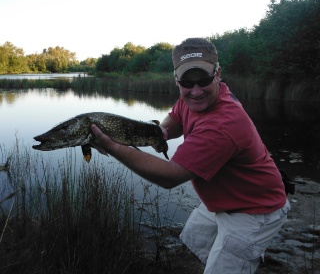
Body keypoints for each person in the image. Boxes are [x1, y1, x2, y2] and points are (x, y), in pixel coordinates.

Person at [90, 37, 290, 273]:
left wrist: (113, 147)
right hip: (224, 201)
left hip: (253, 210)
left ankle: (247, 258)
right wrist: (161, 132)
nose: (195, 91)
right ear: (177, 80)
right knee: (196, 242)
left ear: (218, 74)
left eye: (203, 80)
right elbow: (176, 117)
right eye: (187, 82)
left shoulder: (223, 124)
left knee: (227, 264)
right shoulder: (195, 98)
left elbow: (170, 176)